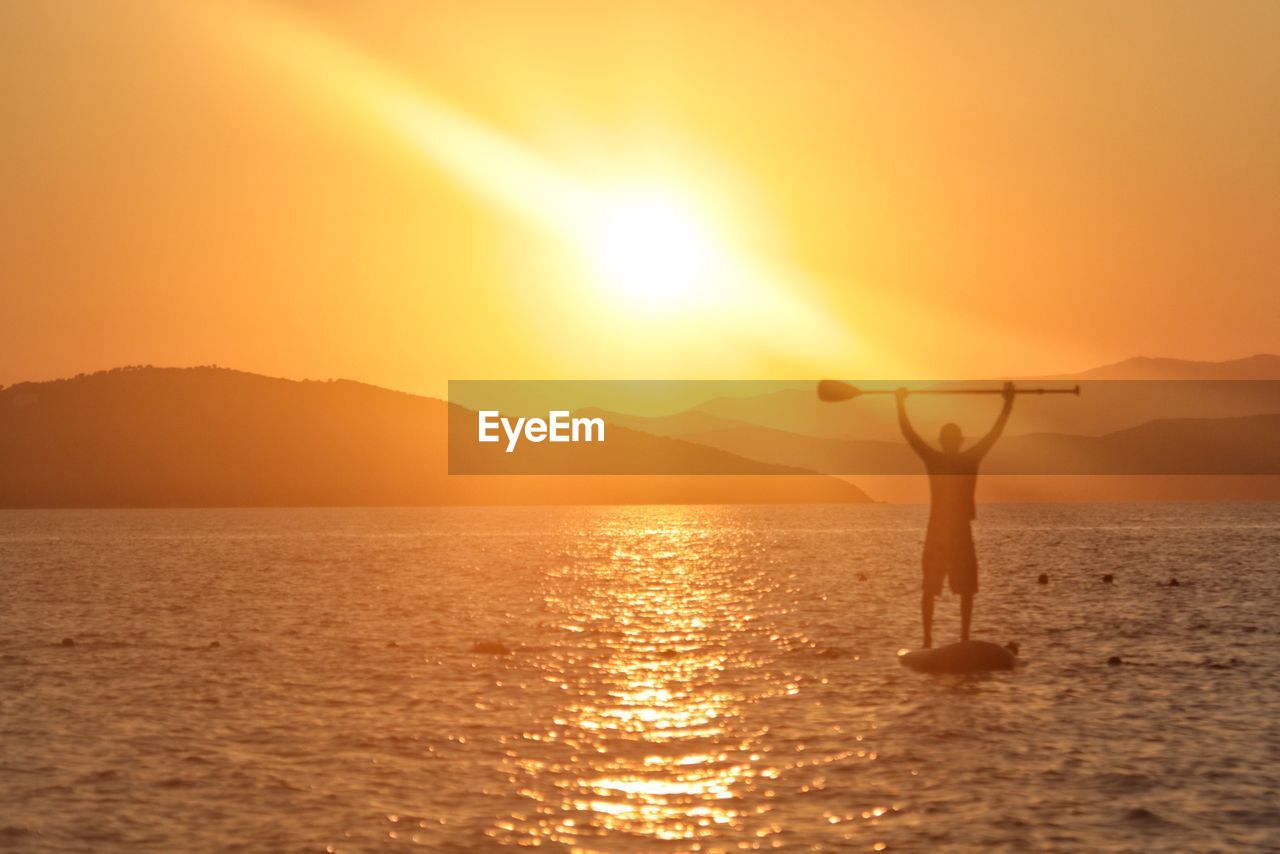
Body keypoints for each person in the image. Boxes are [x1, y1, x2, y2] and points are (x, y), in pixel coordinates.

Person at [896, 382, 1015, 648]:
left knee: (961, 589)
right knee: (939, 588)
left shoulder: (946, 459)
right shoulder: (958, 459)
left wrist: (900, 403)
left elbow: (910, 434)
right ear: (956, 441)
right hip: (947, 531)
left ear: (949, 441)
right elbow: (994, 434)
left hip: (950, 531)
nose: (951, 443)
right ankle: (934, 639)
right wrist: (1007, 403)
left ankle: (950, 638)